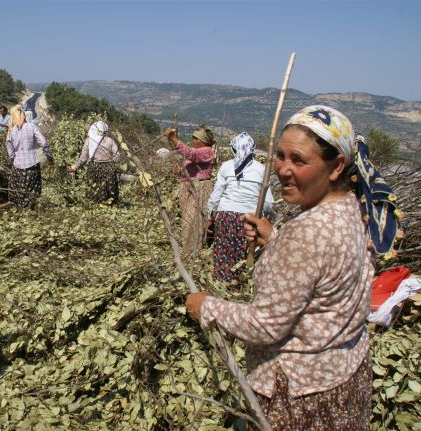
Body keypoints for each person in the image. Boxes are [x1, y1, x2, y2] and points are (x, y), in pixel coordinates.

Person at [186, 105, 400, 430]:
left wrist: (205, 307)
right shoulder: (355, 212)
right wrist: (275, 240)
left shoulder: (306, 232)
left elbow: (265, 326)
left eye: (298, 160)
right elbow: (323, 270)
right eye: (280, 156)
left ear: (336, 166)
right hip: (343, 375)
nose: (283, 169)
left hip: (299, 393)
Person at [206, 132, 274, 282]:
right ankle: (240, 283)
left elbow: (216, 196)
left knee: (224, 251)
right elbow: (268, 203)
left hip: (225, 217)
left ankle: (222, 282)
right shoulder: (261, 169)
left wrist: (209, 216)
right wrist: (267, 218)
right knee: (244, 252)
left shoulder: (226, 167)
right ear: (253, 149)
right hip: (249, 219)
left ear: (233, 149)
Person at [163, 125, 216, 259]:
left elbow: (191, 154)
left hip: (199, 188)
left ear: (203, 140)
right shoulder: (197, 151)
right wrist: (178, 172)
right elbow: (190, 167)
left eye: (196, 139)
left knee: (194, 220)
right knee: (187, 219)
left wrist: (174, 138)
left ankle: (194, 251)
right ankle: (188, 249)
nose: (193, 141)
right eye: (192, 138)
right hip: (188, 187)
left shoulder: (207, 151)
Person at [6, 104, 53, 208]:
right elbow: (44, 143)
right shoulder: (32, 127)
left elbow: (9, 147)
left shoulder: (11, 130)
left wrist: (13, 158)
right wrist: (50, 158)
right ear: (25, 117)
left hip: (17, 167)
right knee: (32, 193)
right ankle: (31, 212)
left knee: (18, 192)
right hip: (32, 165)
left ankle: (19, 211)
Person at [68, 121, 121, 203]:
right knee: (110, 190)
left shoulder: (89, 141)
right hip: (108, 168)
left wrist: (75, 167)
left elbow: (83, 158)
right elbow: (117, 155)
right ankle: (110, 205)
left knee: (94, 189)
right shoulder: (110, 140)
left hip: (94, 168)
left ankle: (95, 204)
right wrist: (113, 165)